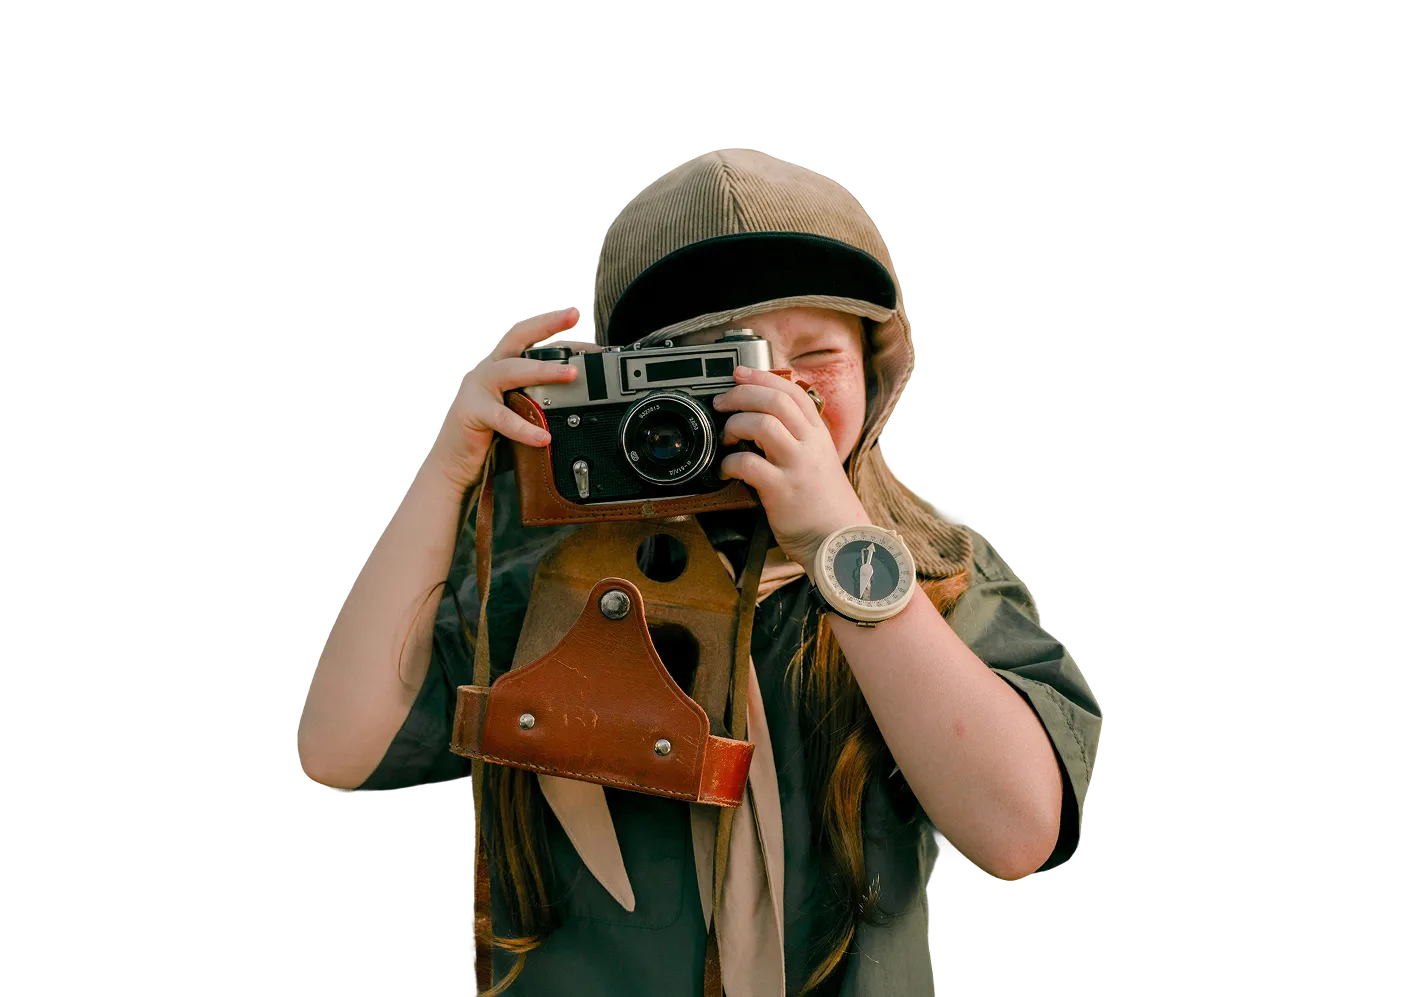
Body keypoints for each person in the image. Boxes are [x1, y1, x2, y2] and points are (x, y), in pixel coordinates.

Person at [298, 149, 1102, 997]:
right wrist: (447, 474)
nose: (773, 388)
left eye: (814, 352)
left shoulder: (929, 571)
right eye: (717, 358)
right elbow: (337, 749)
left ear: (876, 370)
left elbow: (1018, 833)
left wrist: (840, 542)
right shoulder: (549, 575)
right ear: (625, 390)